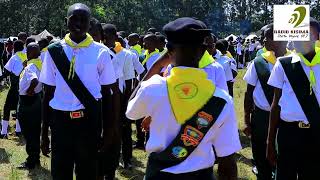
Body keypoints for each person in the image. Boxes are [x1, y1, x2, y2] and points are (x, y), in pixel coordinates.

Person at [127, 17, 241, 180]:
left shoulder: (152, 88)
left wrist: (156, 66)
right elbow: (228, 161)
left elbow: (131, 112)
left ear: (169, 51)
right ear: (203, 51)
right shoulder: (222, 100)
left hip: (160, 174)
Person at [39, 3, 118, 179]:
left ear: (90, 24)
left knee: (88, 172)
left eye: (84, 20)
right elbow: (47, 93)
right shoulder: (53, 51)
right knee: (60, 173)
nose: (79, 23)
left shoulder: (101, 52)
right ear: (66, 21)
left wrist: (109, 129)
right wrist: (44, 133)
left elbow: (107, 95)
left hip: (89, 121)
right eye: (74, 19)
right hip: (60, 122)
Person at [267, 18, 320, 180]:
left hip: (316, 132)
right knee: (285, 175)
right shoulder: (283, 64)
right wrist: (270, 142)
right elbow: (275, 105)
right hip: (289, 133)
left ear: (317, 36)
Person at [243, 24, 287, 180]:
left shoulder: (293, 61)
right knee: (261, 156)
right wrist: (247, 120)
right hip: (262, 117)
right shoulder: (258, 62)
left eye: (266, 36)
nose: (262, 40)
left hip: (285, 119)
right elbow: (249, 93)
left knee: (283, 156)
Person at [102, 23, 138, 177]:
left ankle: (127, 158)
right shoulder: (99, 51)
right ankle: (108, 160)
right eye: (103, 37)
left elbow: (129, 81)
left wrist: (126, 104)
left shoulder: (125, 54)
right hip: (103, 96)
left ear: (115, 37)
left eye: (108, 37)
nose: (105, 40)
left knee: (123, 130)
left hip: (120, 97)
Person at [17, 42, 43, 170]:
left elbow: (34, 80)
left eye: (27, 51)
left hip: (28, 101)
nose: (26, 53)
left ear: (31, 52)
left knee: (28, 132)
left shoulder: (31, 66)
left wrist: (30, 90)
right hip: (37, 100)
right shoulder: (40, 64)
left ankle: (31, 161)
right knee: (35, 131)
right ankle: (35, 158)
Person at [0, 40, 25, 139]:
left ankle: (3, 132)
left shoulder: (14, 58)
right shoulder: (26, 57)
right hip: (23, 87)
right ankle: (18, 130)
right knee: (19, 108)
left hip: (14, 87)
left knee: (6, 108)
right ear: (23, 48)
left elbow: (6, 72)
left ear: (14, 47)